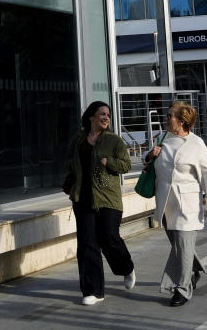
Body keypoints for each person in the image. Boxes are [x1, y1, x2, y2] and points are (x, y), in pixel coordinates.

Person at [144, 101, 207, 307]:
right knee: (179, 246)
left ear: (182, 121)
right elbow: (148, 160)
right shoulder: (162, 137)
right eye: (167, 115)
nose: (167, 119)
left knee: (183, 245)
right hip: (165, 202)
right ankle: (194, 271)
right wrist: (150, 155)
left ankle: (182, 289)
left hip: (187, 202)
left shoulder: (196, 144)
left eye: (170, 116)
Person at [63, 101, 136, 305]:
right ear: (91, 117)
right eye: (102, 113)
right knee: (87, 244)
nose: (106, 117)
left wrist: (108, 162)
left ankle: (126, 268)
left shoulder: (114, 140)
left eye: (108, 115)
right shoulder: (79, 139)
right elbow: (67, 160)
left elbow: (126, 165)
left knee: (109, 238)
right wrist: (75, 167)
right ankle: (92, 291)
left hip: (108, 199)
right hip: (82, 198)